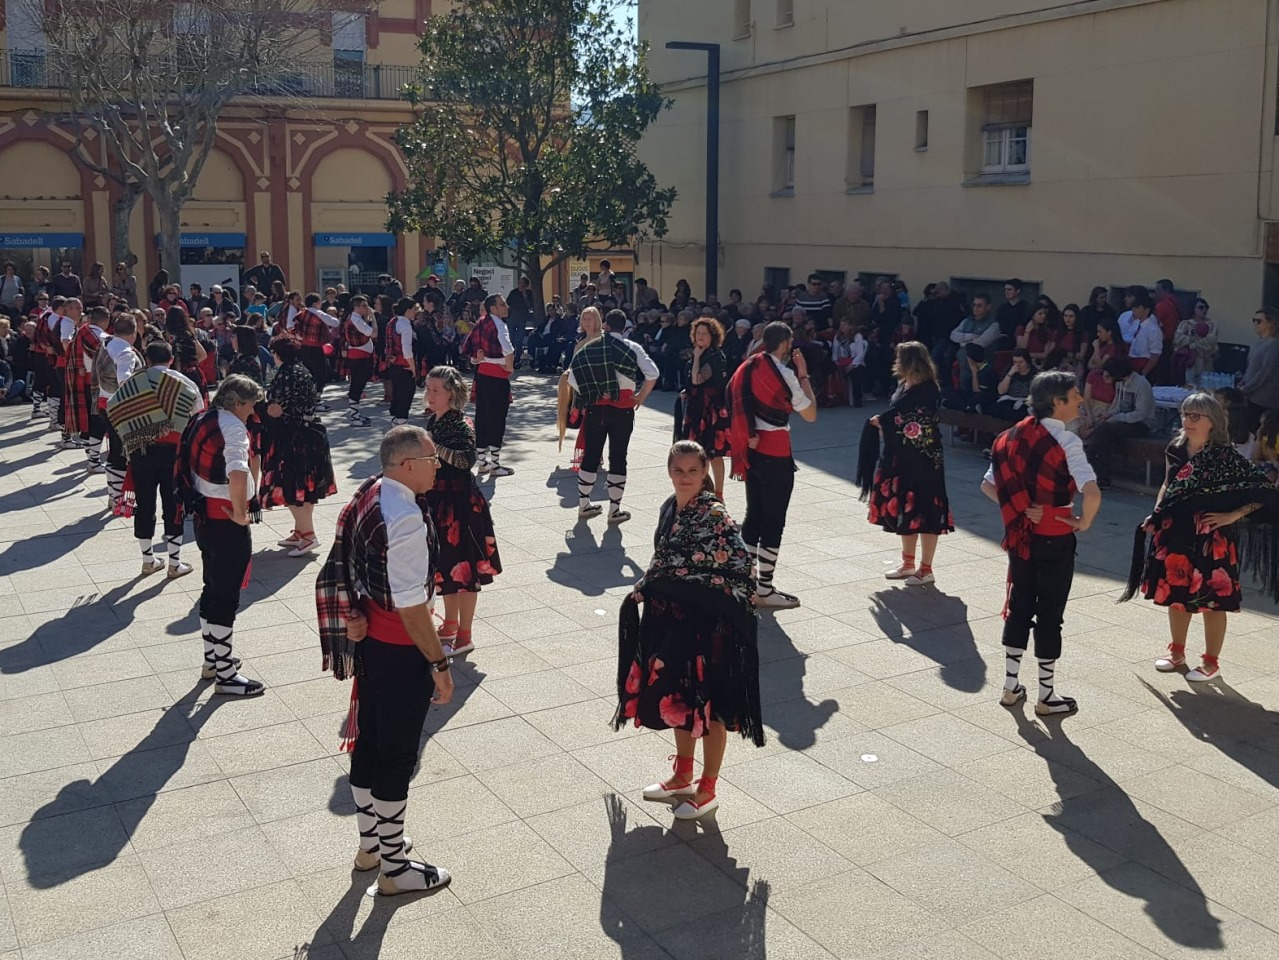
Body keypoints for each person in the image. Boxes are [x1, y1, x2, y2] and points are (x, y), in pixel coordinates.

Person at [315, 424, 454, 896]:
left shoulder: (371, 490)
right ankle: (396, 868)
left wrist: (356, 612)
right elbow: (413, 607)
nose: (437, 468)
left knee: (369, 743)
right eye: (432, 461)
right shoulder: (406, 517)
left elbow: (347, 560)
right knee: (396, 755)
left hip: (372, 639)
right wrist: (438, 664)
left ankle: (371, 846)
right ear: (408, 465)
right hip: (399, 646)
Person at [616, 441, 764, 820]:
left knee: (712, 707)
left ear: (705, 475)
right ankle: (683, 774)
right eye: (678, 470)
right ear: (669, 471)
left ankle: (708, 787)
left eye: (693, 471)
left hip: (709, 627)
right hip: (674, 621)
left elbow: (739, 568)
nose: (685, 477)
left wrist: (678, 585)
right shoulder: (671, 507)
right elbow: (665, 560)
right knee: (679, 699)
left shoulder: (714, 514)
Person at [1121, 392, 1279, 682]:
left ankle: (1210, 662)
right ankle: (1177, 652)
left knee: (1213, 600)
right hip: (1176, 530)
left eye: (1195, 416)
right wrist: (1156, 514)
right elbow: (1168, 486)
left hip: (1211, 535)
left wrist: (1232, 516)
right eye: (1184, 414)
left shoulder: (1224, 455)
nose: (1187, 420)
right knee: (1176, 595)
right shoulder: (1176, 448)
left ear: (1212, 421)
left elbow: (1264, 492)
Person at [982, 371, 1100, 715]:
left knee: (1019, 606)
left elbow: (988, 487)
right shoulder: (1068, 442)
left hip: (1021, 538)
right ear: (1057, 402)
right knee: (1050, 614)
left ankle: (1009, 687)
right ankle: (1046, 695)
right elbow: (1091, 493)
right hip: (1055, 537)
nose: (1081, 398)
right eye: (1075, 394)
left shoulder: (1009, 437)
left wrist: (1020, 509)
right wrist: (1083, 521)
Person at [175, 375, 267, 696]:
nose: (253, 413)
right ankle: (226, 675)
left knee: (212, 588)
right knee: (226, 595)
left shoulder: (203, 417)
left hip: (203, 517)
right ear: (237, 403)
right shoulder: (231, 427)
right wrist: (242, 513)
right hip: (225, 519)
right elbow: (238, 471)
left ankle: (213, 660)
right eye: (251, 406)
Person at [726, 321, 817, 608]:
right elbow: (811, 414)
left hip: (752, 451)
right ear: (787, 345)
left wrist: (748, 431)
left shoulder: (749, 365)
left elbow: (732, 394)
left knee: (754, 516)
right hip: (776, 453)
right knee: (774, 521)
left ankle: (746, 581)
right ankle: (764, 588)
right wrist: (804, 375)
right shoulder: (787, 375)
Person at [857, 342, 953, 585]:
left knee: (926, 508)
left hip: (924, 457)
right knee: (906, 506)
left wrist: (884, 422)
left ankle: (926, 569)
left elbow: (917, 418)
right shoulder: (904, 384)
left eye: (899, 357)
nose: (895, 361)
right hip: (899, 454)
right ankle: (908, 564)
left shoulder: (928, 388)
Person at [422, 366, 502, 658]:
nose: (429, 395)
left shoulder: (460, 423)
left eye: (435, 390)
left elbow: (466, 459)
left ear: (451, 394)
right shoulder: (436, 419)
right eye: (428, 389)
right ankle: (451, 624)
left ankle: (464, 633)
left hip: (460, 506)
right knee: (446, 570)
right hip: (439, 502)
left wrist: (433, 448)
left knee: (466, 572)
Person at [108, 341, 204, 578]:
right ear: (172, 359)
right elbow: (197, 414)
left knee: (145, 504)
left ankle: (147, 560)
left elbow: (114, 407)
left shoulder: (133, 382)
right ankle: (174, 563)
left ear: (148, 360)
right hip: (175, 452)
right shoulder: (184, 383)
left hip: (141, 450)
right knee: (174, 505)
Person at [564, 308, 659, 523]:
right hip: (623, 408)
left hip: (596, 408)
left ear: (605, 325)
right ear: (625, 327)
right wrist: (639, 398)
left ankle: (584, 505)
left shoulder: (591, 347)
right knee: (618, 456)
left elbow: (572, 378)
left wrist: (594, 392)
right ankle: (614, 510)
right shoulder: (633, 347)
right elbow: (653, 374)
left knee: (590, 455)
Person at [259, 336, 338, 557]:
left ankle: (309, 535)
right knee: (306, 487)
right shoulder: (302, 369)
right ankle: (301, 531)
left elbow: (274, 409)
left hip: (293, 437)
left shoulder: (285, 374)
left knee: (293, 486)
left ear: (276, 354)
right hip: (310, 432)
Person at [91, 312, 144, 510]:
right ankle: (120, 501)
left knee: (115, 451)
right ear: (134, 331)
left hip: (105, 403)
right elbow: (125, 380)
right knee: (121, 453)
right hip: (120, 408)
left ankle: (114, 496)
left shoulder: (107, 343)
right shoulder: (125, 352)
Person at [462, 294, 515, 476]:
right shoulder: (499, 324)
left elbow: (468, 348)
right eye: (502, 304)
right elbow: (508, 350)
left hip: (482, 377)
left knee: (482, 418)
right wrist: (508, 366)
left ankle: (483, 462)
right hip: (497, 379)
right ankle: (495, 464)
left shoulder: (481, 322)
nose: (506, 306)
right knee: (497, 419)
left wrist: (478, 359)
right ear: (493, 308)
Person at [677, 317, 731, 498]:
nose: (700, 336)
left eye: (704, 334)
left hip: (711, 409)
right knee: (697, 451)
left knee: (713, 452)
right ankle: (703, 490)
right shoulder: (697, 353)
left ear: (712, 336)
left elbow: (697, 379)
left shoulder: (715, 356)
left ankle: (719, 492)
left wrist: (698, 358)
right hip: (695, 407)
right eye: (698, 333)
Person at [1086, 355, 1155, 489]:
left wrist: (1115, 418)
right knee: (1104, 433)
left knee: (1104, 429)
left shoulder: (1142, 384)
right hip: (1124, 421)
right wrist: (1109, 414)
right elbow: (1119, 407)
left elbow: (1140, 414)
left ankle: (1091, 464)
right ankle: (1101, 476)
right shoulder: (1119, 383)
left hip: (1141, 424)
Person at [64, 301, 106, 468]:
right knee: (98, 422)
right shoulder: (103, 339)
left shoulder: (81, 333)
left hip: (84, 383)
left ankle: (91, 456)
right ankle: (94, 461)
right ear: (106, 319)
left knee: (90, 422)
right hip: (100, 385)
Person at [1237, 307, 1279, 432]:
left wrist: (1247, 388)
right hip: (1251, 396)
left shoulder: (1274, 344)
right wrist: (1243, 382)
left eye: (1259, 321)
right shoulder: (1258, 343)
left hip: (1264, 400)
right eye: (1254, 320)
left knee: (1258, 433)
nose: (1255, 324)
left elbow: (1265, 373)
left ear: (1271, 323)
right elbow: (1251, 367)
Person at [291, 294, 339, 400]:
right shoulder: (318, 313)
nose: (320, 304)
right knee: (321, 372)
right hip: (316, 348)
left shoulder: (301, 313)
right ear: (315, 303)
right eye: (319, 302)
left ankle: (309, 397)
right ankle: (317, 397)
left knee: (308, 373)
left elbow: (293, 325)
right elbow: (335, 323)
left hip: (303, 348)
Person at [343, 294, 377, 426]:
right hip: (359, 357)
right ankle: (354, 416)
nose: (367, 307)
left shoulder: (357, 319)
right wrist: (373, 318)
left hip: (360, 356)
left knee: (358, 385)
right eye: (364, 305)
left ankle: (356, 414)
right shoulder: (356, 320)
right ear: (356, 307)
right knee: (357, 385)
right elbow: (374, 333)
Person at [385, 298, 418, 425]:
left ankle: (395, 420)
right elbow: (407, 350)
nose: (415, 312)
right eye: (414, 309)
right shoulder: (405, 325)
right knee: (406, 395)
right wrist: (413, 368)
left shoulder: (393, 322)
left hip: (394, 364)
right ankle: (401, 424)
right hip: (404, 365)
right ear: (408, 310)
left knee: (397, 394)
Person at [1172, 298, 1218, 385]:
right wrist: (1196, 339)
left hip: (1206, 362)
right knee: (1189, 388)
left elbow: (1210, 342)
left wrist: (1190, 344)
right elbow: (1177, 340)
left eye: (1206, 308)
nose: (1204, 310)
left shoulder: (1212, 324)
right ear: (1193, 308)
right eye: (1201, 307)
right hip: (1190, 362)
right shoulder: (1185, 323)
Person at [991, 349, 1036, 421]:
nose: (1017, 365)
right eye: (1015, 362)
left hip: (1025, 403)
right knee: (996, 409)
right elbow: (1001, 391)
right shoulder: (1009, 369)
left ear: (1027, 362)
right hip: (1010, 399)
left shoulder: (1035, 373)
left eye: (1021, 362)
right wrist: (1010, 374)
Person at [1126, 295, 1162, 379]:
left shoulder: (1153, 330)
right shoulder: (1137, 325)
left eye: (1137, 307)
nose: (1133, 310)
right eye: (1133, 307)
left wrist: (1143, 373)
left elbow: (1155, 356)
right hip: (1132, 366)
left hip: (1144, 368)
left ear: (1147, 310)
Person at [505, 277, 534, 367]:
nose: (520, 285)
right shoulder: (513, 292)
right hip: (512, 318)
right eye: (519, 283)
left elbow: (529, 305)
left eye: (522, 283)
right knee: (511, 339)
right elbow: (507, 303)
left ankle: (518, 358)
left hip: (522, 319)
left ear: (526, 285)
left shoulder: (529, 293)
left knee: (520, 340)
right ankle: (511, 358)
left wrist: (525, 295)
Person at [996, 278, 1033, 347]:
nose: (1006, 292)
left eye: (1009, 289)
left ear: (1018, 291)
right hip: (1002, 343)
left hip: (1018, 343)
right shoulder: (1001, 308)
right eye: (1005, 289)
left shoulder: (1026, 308)